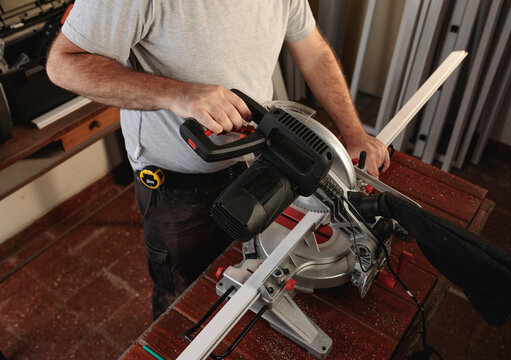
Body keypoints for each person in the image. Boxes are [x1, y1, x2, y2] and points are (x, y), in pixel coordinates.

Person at [47, 0, 390, 319]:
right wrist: (176, 93)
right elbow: (64, 63)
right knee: (181, 300)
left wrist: (355, 134)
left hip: (256, 164)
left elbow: (312, 50)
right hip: (176, 184)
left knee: (243, 281)